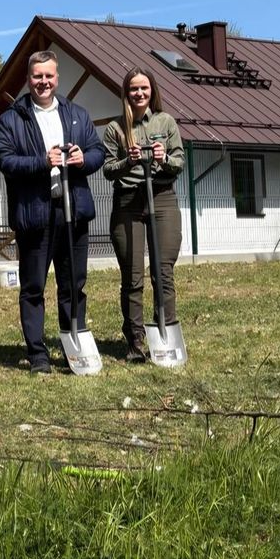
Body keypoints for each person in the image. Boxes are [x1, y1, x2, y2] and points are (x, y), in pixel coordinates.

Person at [0, 50, 105, 373]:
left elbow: (98, 151)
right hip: (36, 214)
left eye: (49, 76)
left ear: (57, 78)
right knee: (33, 288)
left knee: (74, 284)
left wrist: (84, 159)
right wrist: (43, 162)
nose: (43, 82)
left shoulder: (77, 114)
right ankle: (38, 353)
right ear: (28, 79)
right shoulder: (11, 119)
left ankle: (73, 345)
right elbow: (5, 161)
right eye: (37, 76)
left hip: (74, 212)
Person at [102, 67, 185, 362]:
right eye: (134, 89)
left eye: (144, 88)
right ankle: (135, 342)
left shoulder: (166, 122)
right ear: (126, 92)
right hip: (128, 203)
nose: (139, 93)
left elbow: (180, 161)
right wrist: (128, 161)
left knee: (162, 272)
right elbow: (108, 168)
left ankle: (165, 334)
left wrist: (163, 159)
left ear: (152, 91)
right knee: (132, 276)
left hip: (161, 198)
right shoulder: (115, 128)